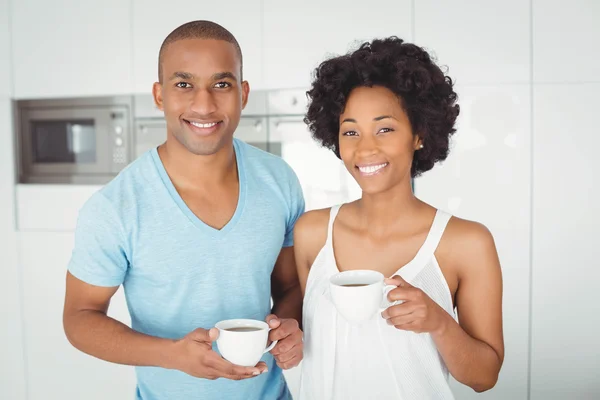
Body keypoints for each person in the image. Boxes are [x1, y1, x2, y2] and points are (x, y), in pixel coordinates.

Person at [62, 20, 304, 400]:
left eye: (221, 85)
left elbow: (290, 286)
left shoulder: (280, 180)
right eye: (184, 84)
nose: (204, 104)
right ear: (160, 95)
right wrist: (171, 355)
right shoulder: (114, 207)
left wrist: (290, 324)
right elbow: (78, 318)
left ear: (242, 93)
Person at [294, 37, 504, 399]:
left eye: (385, 128)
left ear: (419, 135)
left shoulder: (466, 243)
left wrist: (438, 322)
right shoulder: (311, 233)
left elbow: (484, 377)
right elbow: (308, 345)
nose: (365, 148)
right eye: (351, 131)